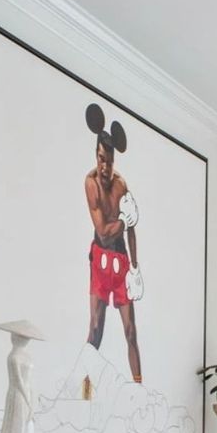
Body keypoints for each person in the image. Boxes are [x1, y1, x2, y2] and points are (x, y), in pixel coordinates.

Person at [83, 102, 143, 382]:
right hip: (100, 257)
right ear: (96, 156)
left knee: (131, 331)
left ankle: (139, 386)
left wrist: (135, 266)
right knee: (95, 329)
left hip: (120, 261)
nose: (104, 165)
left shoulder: (121, 185)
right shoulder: (91, 183)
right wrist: (125, 220)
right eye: (100, 158)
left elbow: (131, 230)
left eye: (108, 159)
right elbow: (105, 231)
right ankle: (83, 387)